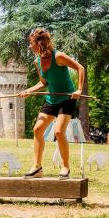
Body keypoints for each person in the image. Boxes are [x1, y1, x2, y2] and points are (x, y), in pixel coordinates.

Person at [19, 28, 85, 179]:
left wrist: (79, 89)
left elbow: (80, 68)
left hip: (67, 98)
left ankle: (65, 167)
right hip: (51, 99)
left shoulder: (59, 56)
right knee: (37, 129)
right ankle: (37, 167)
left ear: (40, 43)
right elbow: (43, 82)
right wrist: (30, 90)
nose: (30, 47)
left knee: (58, 132)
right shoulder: (37, 61)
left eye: (31, 43)